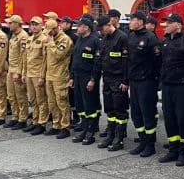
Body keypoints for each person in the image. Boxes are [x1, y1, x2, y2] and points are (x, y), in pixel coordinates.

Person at [158, 13, 184, 166]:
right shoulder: (166, 41)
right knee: (169, 118)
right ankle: (173, 149)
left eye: (169, 23)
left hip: (183, 86)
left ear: (178, 25)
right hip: (168, 86)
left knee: (182, 118)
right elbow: (163, 63)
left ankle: (183, 153)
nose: (166, 25)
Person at [127, 11, 163, 157]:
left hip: (146, 82)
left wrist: (154, 79)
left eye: (132, 20)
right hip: (134, 81)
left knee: (147, 113)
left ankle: (150, 145)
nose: (130, 22)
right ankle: (142, 141)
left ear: (140, 22)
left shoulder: (150, 38)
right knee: (136, 114)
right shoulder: (131, 36)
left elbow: (157, 61)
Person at [96, 16, 130, 151]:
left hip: (118, 79)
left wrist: (125, 81)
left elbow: (126, 61)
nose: (101, 31)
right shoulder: (104, 39)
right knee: (109, 109)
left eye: (102, 28)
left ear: (108, 24)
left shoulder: (122, 38)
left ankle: (119, 139)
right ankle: (110, 135)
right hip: (107, 79)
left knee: (120, 110)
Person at [70, 17, 102, 144]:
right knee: (80, 105)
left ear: (86, 28)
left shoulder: (94, 41)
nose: (78, 28)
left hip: (87, 78)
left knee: (90, 106)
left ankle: (90, 132)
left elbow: (97, 63)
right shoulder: (79, 40)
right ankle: (84, 128)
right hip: (77, 77)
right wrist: (72, 77)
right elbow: (75, 60)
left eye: (80, 26)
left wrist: (93, 79)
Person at [44, 18, 74, 138]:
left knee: (61, 102)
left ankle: (65, 126)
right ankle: (56, 124)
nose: (48, 34)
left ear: (56, 29)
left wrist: (51, 43)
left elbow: (59, 55)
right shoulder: (50, 38)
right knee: (52, 102)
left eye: (50, 31)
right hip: (50, 74)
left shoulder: (64, 39)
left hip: (60, 76)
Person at [23, 16, 50, 135]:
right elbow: (26, 58)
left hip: (38, 74)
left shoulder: (44, 39)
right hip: (29, 73)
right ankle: (35, 121)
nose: (33, 26)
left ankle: (42, 123)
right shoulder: (29, 39)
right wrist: (24, 73)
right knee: (32, 100)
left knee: (41, 100)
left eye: (36, 24)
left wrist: (42, 76)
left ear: (41, 25)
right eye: (32, 24)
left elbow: (45, 60)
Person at [5, 15, 30, 130]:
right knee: (11, 95)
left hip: (17, 70)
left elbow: (23, 56)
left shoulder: (23, 37)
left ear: (17, 24)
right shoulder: (13, 36)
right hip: (11, 68)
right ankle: (15, 116)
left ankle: (22, 119)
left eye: (10, 23)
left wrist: (19, 72)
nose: (8, 25)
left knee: (20, 95)